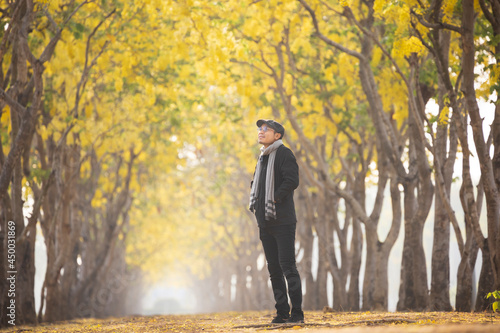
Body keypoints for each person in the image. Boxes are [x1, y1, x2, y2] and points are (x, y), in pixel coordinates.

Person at [249, 119, 304, 324]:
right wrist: (256, 205)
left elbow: (292, 180)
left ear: (277, 135)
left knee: (288, 267)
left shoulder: (284, 154)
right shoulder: (262, 157)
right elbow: (257, 183)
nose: (261, 132)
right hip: (265, 221)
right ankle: (282, 313)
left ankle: (297, 314)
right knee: (274, 270)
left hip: (283, 220)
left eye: (266, 129)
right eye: (259, 129)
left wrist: (274, 198)